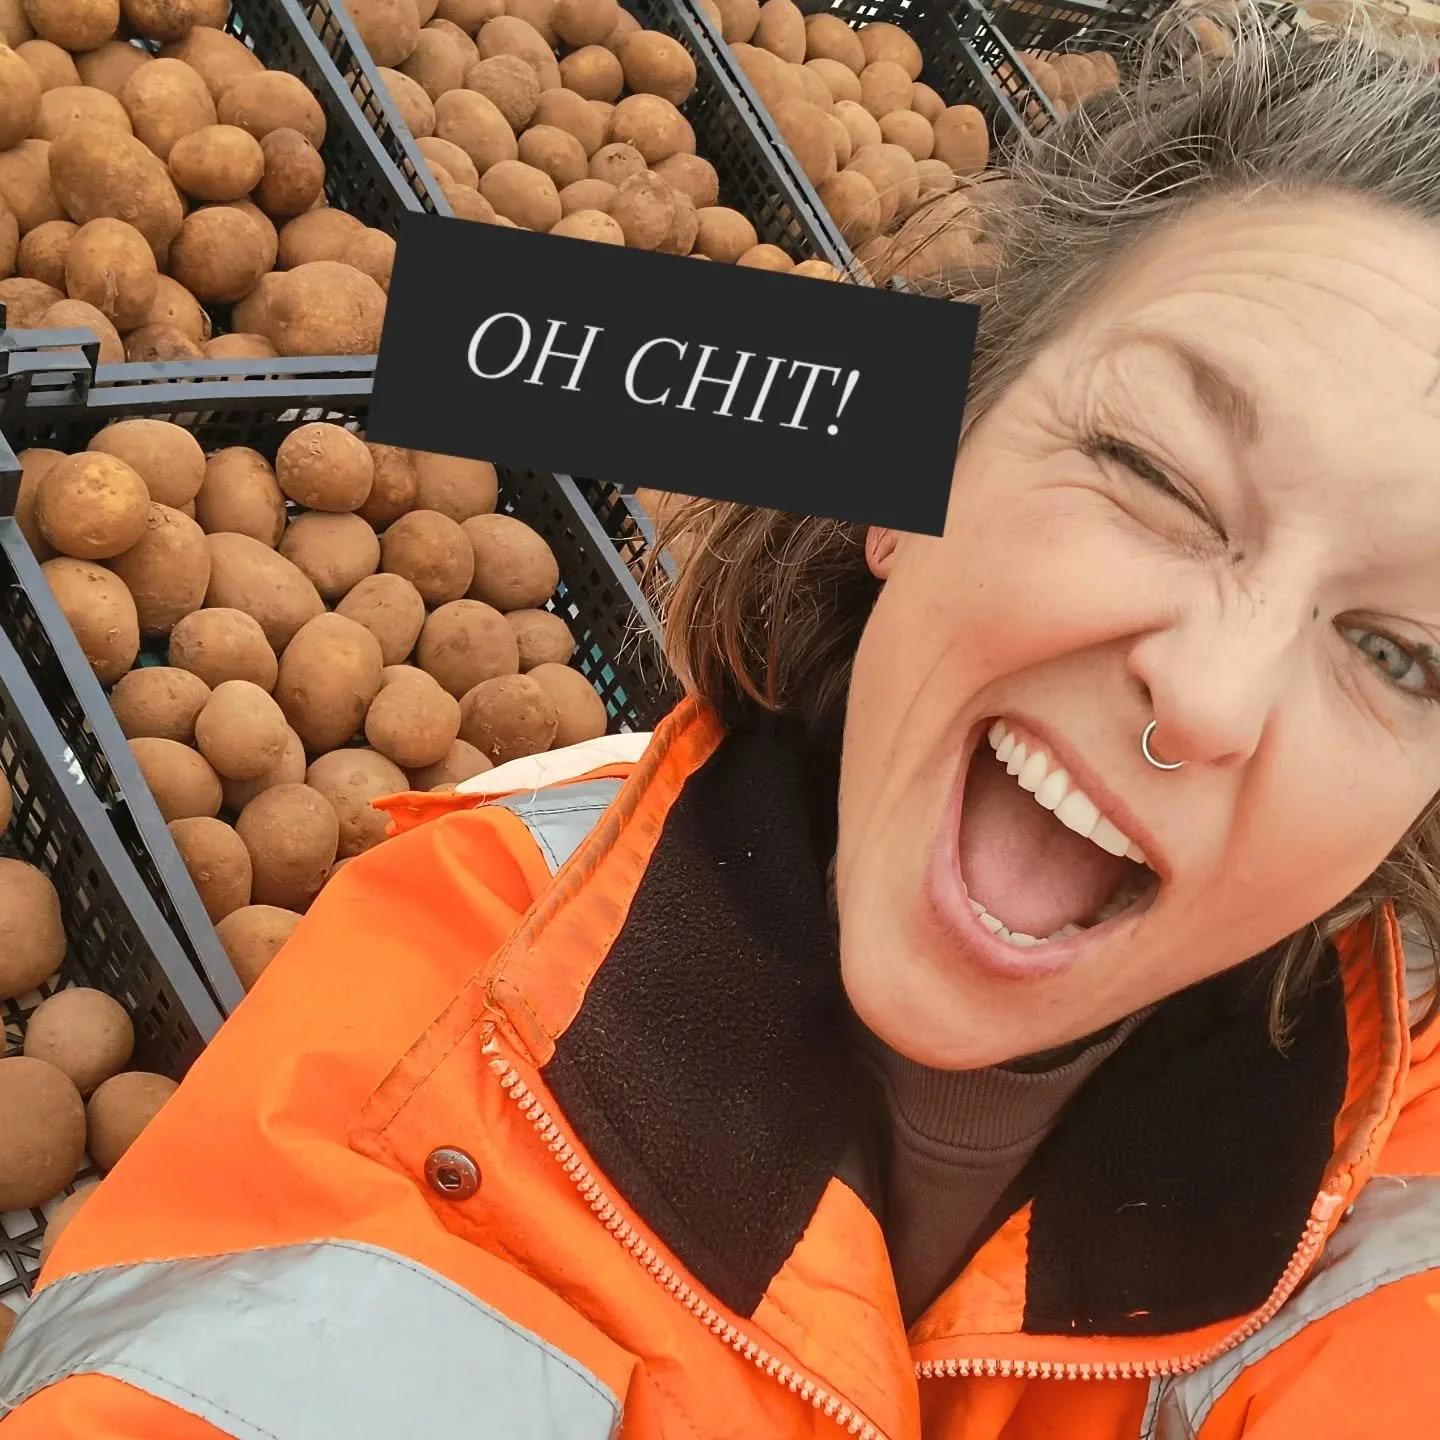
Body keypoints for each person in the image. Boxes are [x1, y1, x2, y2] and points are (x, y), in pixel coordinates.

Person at [4, 4, 1440, 1436]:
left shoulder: (1407, 1210)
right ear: (916, 469)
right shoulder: (428, 1047)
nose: (1209, 694)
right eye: (1154, 470)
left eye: (1400, 653)